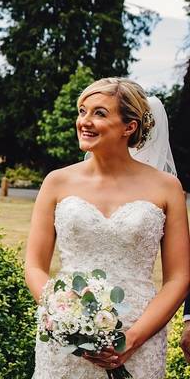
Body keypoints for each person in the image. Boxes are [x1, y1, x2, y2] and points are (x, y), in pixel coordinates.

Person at [25, 77, 189, 378]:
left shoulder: (167, 188)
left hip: (140, 332)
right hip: (65, 340)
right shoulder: (56, 182)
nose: (84, 121)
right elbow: (34, 266)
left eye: (99, 113)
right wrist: (64, 316)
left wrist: (133, 338)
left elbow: (179, 277)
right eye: (82, 111)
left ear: (130, 126)